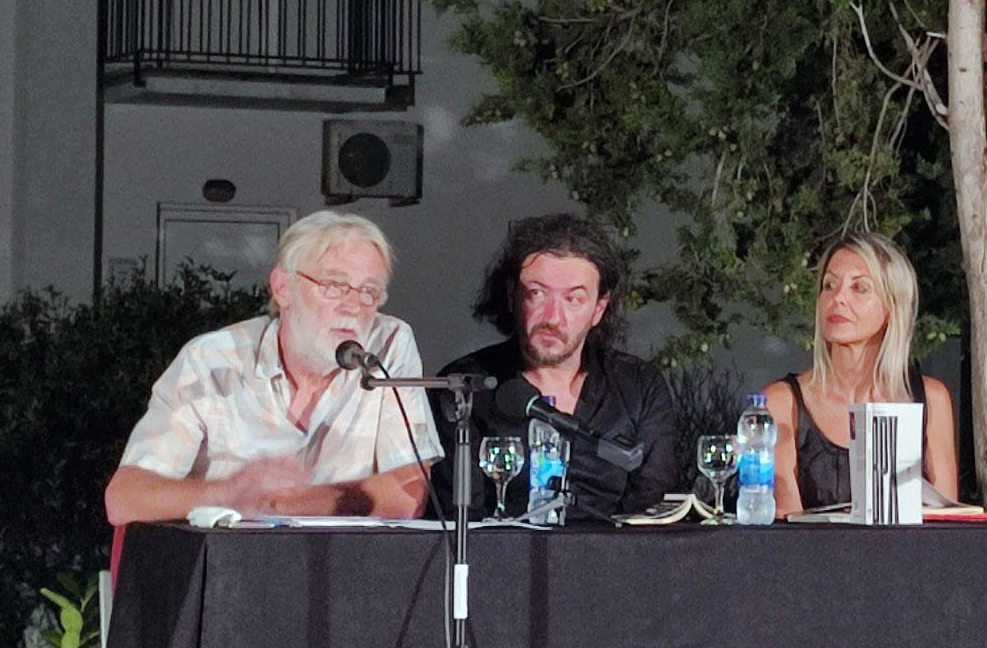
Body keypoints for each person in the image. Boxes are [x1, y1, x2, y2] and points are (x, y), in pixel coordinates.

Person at [104, 211, 443, 524]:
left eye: (369, 291)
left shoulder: (387, 345)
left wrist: (283, 503)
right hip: (234, 562)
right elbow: (124, 499)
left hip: (347, 562)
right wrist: (227, 494)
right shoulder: (213, 360)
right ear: (283, 288)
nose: (353, 306)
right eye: (334, 286)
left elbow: (408, 493)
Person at [428, 214, 678, 520]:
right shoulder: (466, 387)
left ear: (598, 309)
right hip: (501, 549)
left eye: (573, 299)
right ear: (512, 295)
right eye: (537, 293)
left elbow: (652, 512)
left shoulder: (639, 385)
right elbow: (460, 517)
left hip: (613, 549)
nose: (552, 317)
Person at [763, 233, 958, 517]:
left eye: (860, 288)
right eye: (829, 285)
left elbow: (949, 524)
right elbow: (787, 527)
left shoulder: (931, 399)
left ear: (892, 306)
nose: (838, 298)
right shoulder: (780, 404)